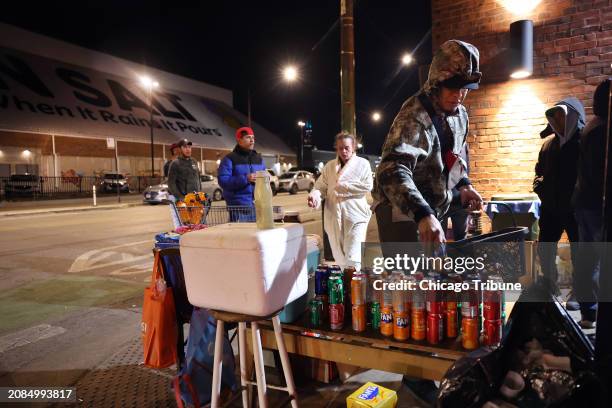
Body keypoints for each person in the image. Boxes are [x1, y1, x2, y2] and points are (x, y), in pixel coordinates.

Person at [373, 39, 483, 251]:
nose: (458, 95)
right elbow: (392, 170)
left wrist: (464, 185)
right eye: (452, 86)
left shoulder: (460, 115)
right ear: (436, 82)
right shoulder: (414, 115)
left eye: (465, 87)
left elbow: (453, 155)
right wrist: (423, 214)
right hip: (403, 211)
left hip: (433, 208)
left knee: (433, 277)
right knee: (406, 278)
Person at [533, 98, 584, 303]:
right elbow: (538, 171)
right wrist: (539, 187)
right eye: (555, 116)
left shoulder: (583, 142)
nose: (558, 119)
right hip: (551, 207)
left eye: (562, 115)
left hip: (575, 208)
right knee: (545, 247)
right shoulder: (548, 145)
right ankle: (549, 286)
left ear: (572, 116)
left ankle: (579, 292)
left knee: (580, 251)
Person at [572, 79, 610, 328]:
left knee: (587, 260)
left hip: (584, 201)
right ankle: (594, 313)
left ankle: (588, 313)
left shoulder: (592, 126)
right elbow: (600, 173)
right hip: (596, 203)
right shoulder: (601, 130)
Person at [308, 132, 373, 270]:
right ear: (336, 149)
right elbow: (320, 186)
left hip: (355, 217)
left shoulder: (363, 164)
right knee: (340, 256)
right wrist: (314, 195)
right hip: (333, 216)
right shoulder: (330, 166)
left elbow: (367, 185)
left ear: (354, 147)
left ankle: (355, 285)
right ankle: (349, 287)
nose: (343, 151)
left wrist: (343, 187)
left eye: (347, 147)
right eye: (340, 148)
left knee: (353, 255)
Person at [217, 126, 266, 221]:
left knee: (256, 235)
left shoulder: (258, 158)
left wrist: (266, 178)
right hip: (238, 208)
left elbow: (264, 177)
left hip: (258, 206)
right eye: (248, 137)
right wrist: (245, 178)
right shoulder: (229, 159)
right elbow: (223, 181)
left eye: (253, 137)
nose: (252, 140)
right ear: (239, 140)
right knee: (240, 235)